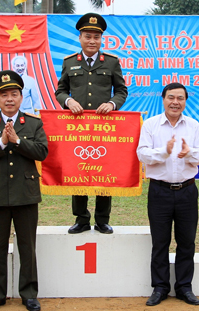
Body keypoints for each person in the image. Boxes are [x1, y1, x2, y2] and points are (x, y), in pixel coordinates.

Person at [0, 70, 48, 311]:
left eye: (14, 94)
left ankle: (29, 294)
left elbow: (41, 152)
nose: (9, 99)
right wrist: (2, 143)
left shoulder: (33, 123)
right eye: (4, 95)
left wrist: (17, 141)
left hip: (25, 193)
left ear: (21, 96)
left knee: (28, 247)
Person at [55, 13, 128, 235]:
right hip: (77, 128)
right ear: (80, 38)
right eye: (88, 36)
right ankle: (81, 218)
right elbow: (60, 91)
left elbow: (122, 91)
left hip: (104, 128)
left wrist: (112, 105)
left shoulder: (112, 62)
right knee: (79, 171)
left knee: (104, 171)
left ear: (101, 39)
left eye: (96, 37)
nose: (92, 41)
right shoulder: (69, 62)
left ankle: (102, 220)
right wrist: (68, 101)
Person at [137, 83, 199, 307]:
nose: (175, 102)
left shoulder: (194, 126)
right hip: (159, 191)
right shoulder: (150, 125)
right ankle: (160, 287)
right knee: (160, 242)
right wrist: (164, 152)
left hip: (187, 190)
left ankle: (184, 287)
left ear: (186, 101)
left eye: (180, 98)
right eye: (171, 97)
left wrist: (190, 153)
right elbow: (142, 153)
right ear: (163, 99)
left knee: (187, 242)